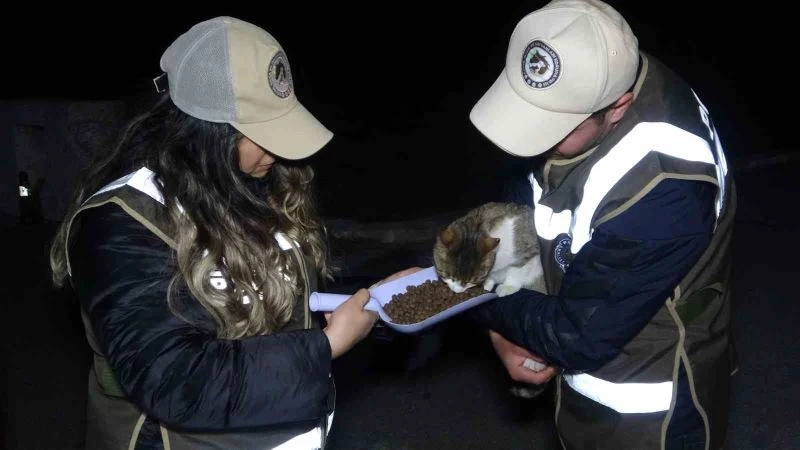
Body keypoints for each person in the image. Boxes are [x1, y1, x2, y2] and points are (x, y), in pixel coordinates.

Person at [48, 16, 399, 449]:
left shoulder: (255, 187)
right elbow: (175, 380)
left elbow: (287, 305)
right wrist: (325, 346)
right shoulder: (121, 223)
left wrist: (379, 302)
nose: (278, 150)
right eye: (261, 133)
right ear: (203, 132)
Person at [464, 1, 736, 449]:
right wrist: (501, 328)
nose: (532, 144)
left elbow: (577, 336)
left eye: (552, 128)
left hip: (651, 417)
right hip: (587, 394)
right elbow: (529, 202)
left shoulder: (663, 189)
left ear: (618, 107)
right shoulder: (610, 70)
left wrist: (473, 296)